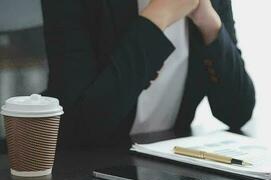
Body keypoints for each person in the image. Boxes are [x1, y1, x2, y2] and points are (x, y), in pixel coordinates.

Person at [41, 0, 256, 149]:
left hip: (172, 168)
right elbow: (81, 125)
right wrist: (156, 18)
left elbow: (238, 112)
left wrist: (208, 22)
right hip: (87, 173)